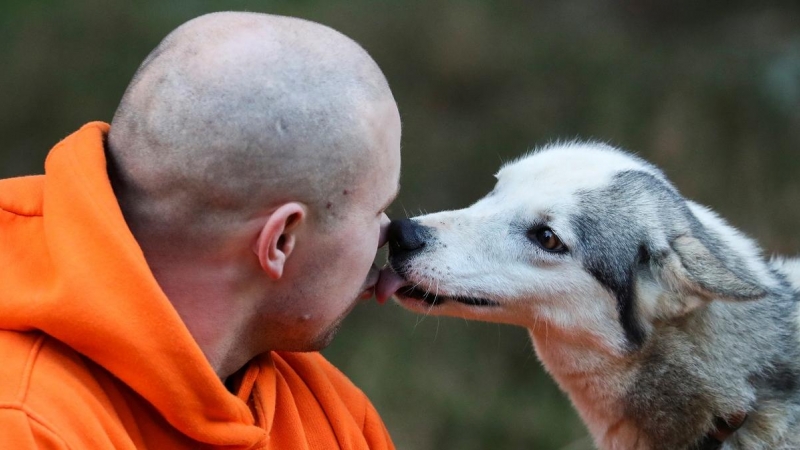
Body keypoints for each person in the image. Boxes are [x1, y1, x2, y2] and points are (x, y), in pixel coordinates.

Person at [0, 11, 400, 449]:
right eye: (377, 209)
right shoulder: (27, 424)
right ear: (281, 241)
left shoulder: (331, 417)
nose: (388, 232)